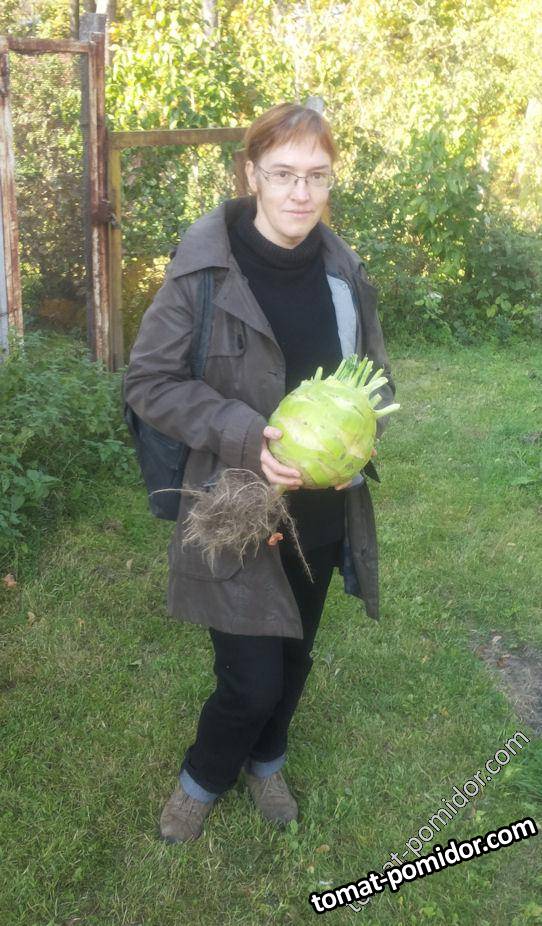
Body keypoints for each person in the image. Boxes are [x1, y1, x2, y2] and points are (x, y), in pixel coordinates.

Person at [123, 102, 397, 844]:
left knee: (296, 654)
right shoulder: (203, 274)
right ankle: (202, 779)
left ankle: (267, 762)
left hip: (322, 508)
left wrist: (352, 453)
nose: (301, 193)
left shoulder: (343, 273)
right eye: (283, 174)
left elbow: (374, 380)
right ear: (251, 174)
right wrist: (248, 435)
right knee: (249, 680)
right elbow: (148, 381)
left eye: (317, 176)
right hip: (235, 504)